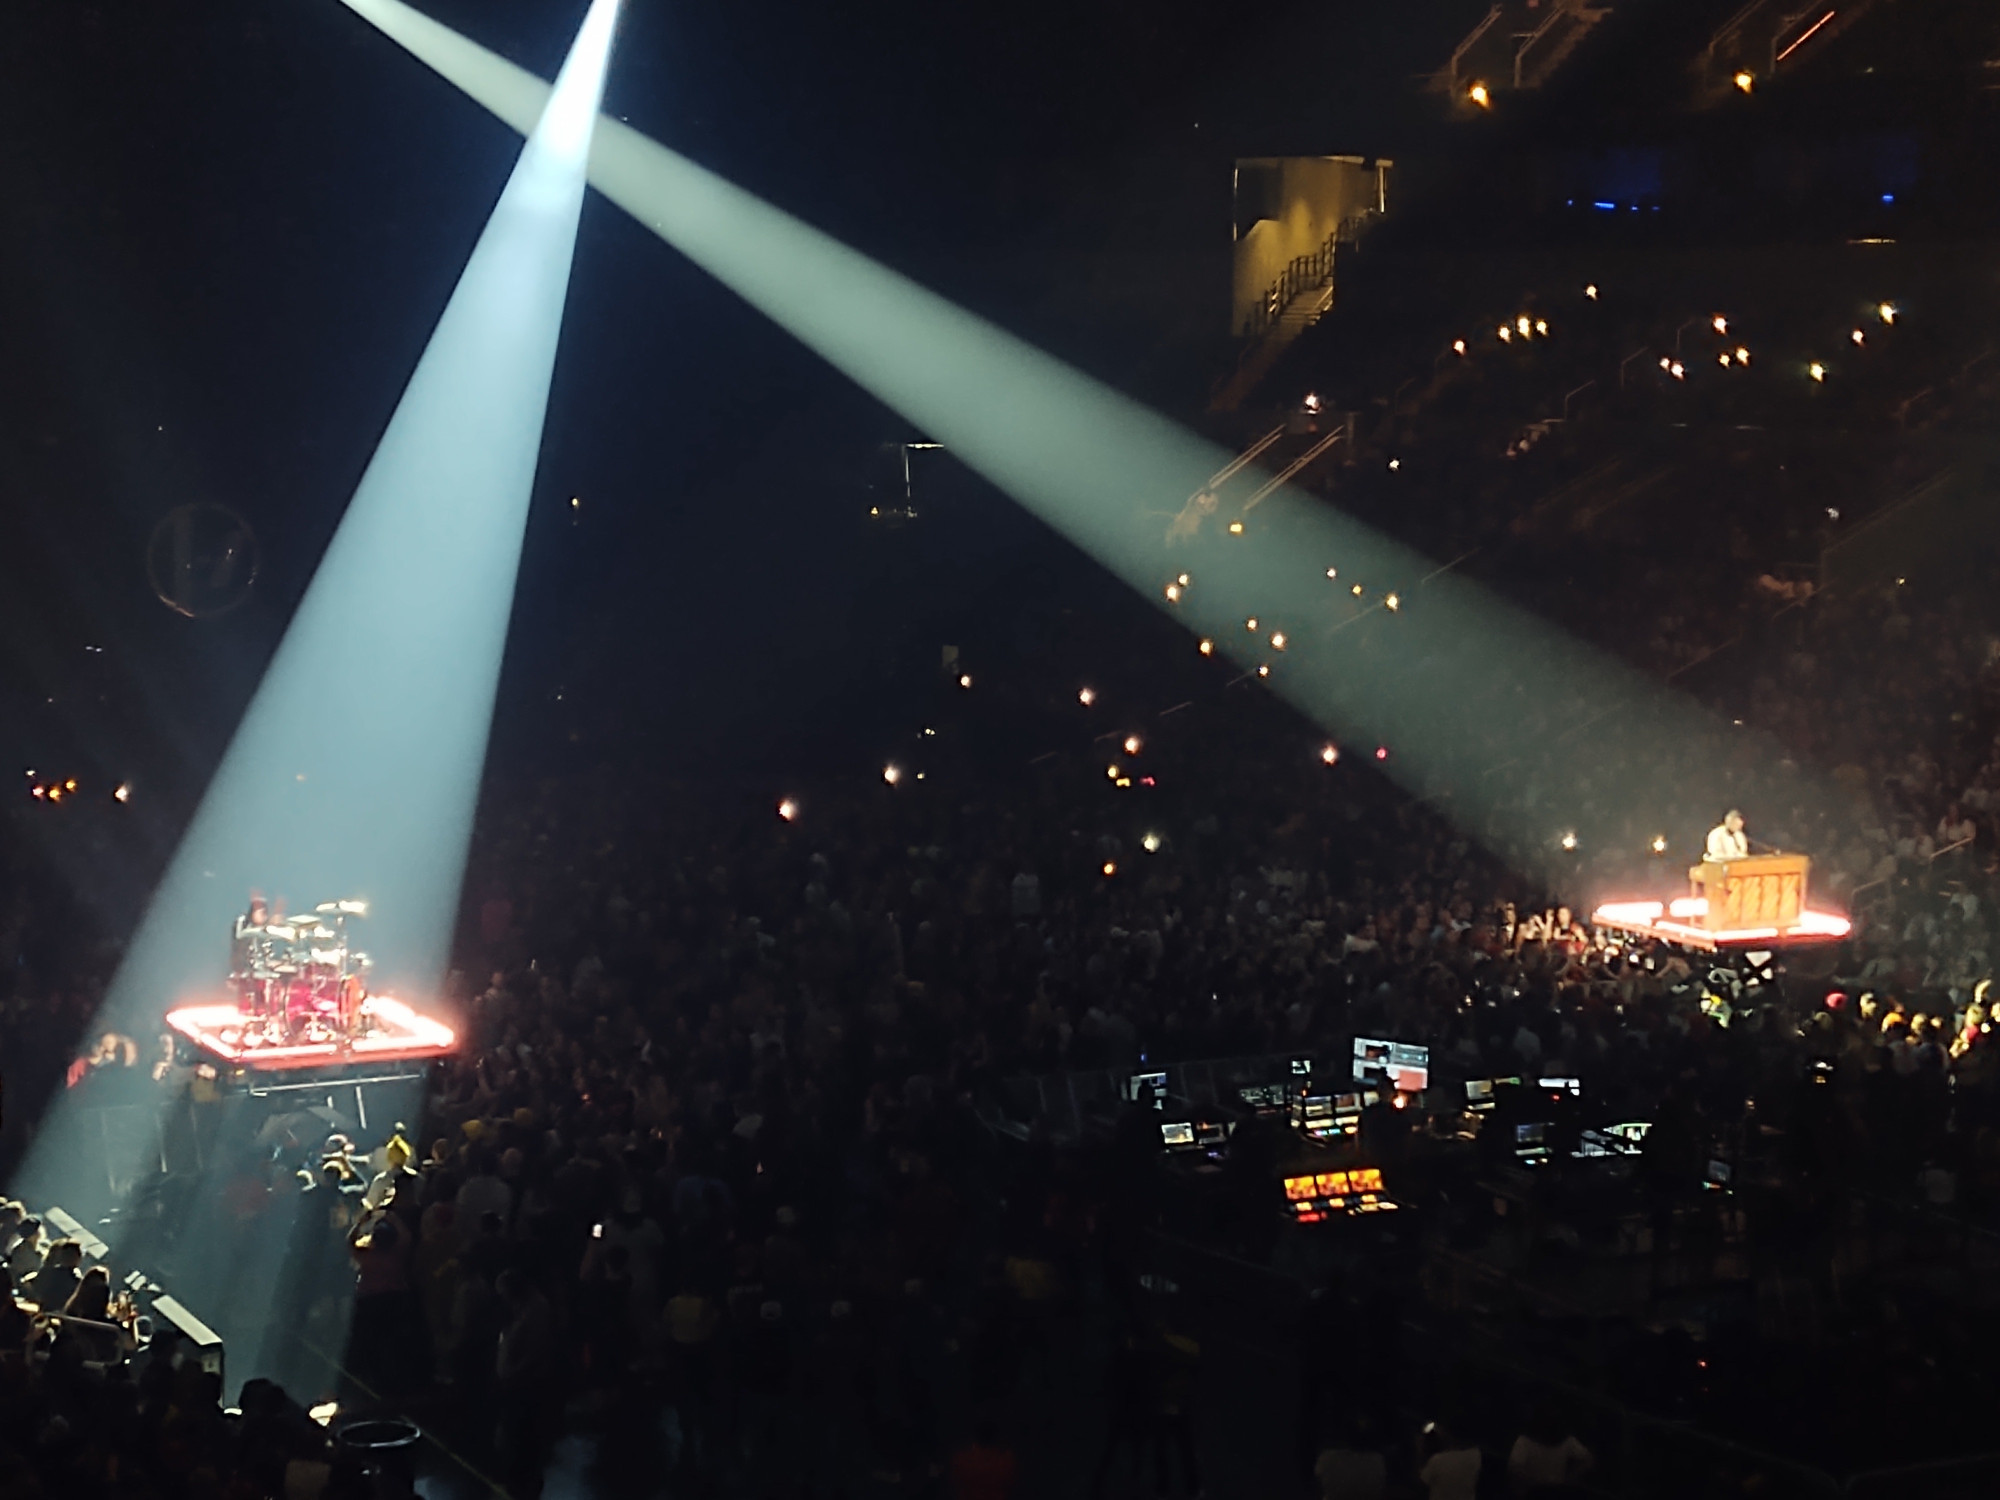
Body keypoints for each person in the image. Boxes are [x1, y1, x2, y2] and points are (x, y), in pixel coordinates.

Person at [1508, 1407, 1592, 1495]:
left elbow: (1587, 1460)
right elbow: (1515, 1469)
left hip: (1550, 1491)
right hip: (1535, 1491)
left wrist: (1570, 1478)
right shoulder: (1525, 1442)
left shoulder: (1566, 1441)